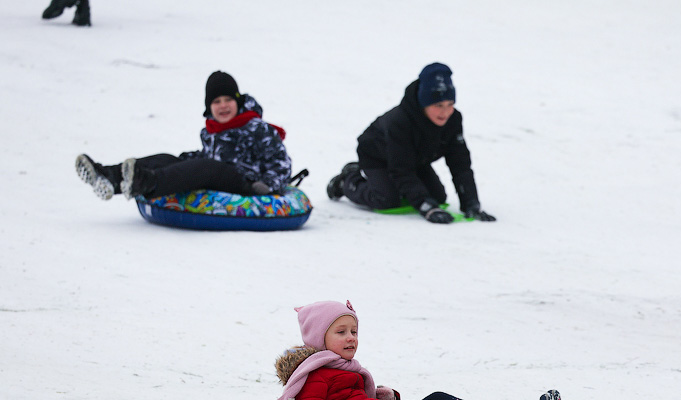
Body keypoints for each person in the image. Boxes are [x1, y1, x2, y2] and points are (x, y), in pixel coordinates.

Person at [266, 301, 560, 400]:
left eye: (354, 331)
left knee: (437, 398)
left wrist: (378, 399)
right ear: (319, 338)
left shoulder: (344, 369)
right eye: (341, 332)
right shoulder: (314, 376)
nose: (351, 338)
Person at [75, 71, 292, 201]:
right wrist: (182, 160)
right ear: (209, 107)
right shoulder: (212, 131)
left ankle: (147, 183)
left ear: (238, 102)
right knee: (167, 159)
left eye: (228, 100)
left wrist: (266, 185)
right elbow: (210, 156)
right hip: (218, 175)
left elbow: (281, 162)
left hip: (245, 183)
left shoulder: (256, 128)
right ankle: (109, 177)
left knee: (208, 167)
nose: (223, 106)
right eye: (216, 102)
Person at [325, 63, 496, 224]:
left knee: (437, 197)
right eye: (438, 105)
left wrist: (471, 203)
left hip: (414, 158)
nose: (445, 112)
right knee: (387, 199)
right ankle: (347, 180)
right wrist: (425, 206)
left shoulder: (453, 120)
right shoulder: (400, 122)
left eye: (450, 104)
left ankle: (397, 187)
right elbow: (401, 170)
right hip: (376, 156)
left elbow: (460, 163)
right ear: (424, 103)